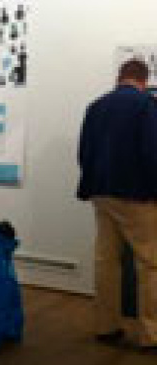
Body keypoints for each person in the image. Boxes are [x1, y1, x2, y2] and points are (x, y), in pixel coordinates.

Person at [77, 59, 157, 349]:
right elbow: (152, 152)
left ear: (120, 77)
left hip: (102, 192)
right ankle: (151, 333)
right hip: (137, 195)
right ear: (144, 80)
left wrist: (93, 183)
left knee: (106, 260)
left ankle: (106, 326)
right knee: (149, 263)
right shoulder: (146, 106)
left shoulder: (95, 106)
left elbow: (84, 152)